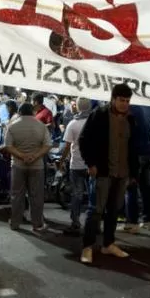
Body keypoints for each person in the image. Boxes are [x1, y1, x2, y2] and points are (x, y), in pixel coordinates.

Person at [78, 83, 138, 264]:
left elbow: (133, 148)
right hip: (103, 171)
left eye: (127, 101)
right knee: (95, 210)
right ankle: (87, 247)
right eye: (121, 100)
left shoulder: (131, 119)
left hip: (122, 173)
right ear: (113, 99)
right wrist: (91, 164)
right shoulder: (100, 115)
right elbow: (84, 139)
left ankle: (108, 244)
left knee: (113, 211)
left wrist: (133, 173)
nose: (124, 104)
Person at [5, 102, 52, 231]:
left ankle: (15, 223)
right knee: (36, 196)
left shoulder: (12, 126)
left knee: (16, 195)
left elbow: (8, 146)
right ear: (33, 112)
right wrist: (35, 156)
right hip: (37, 166)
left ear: (19, 112)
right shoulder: (41, 126)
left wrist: (21, 156)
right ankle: (37, 224)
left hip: (18, 165)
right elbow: (47, 145)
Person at [123, 104, 150, 233]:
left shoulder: (129, 108)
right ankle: (148, 220)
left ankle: (132, 222)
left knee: (131, 187)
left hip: (135, 152)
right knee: (146, 187)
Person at [61, 97, 92, 232]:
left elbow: (67, 146)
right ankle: (94, 224)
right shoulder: (95, 123)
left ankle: (75, 222)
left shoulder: (73, 124)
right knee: (94, 194)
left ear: (78, 107)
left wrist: (61, 160)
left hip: (77, 164)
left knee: (77, 194)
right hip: (92, 165)